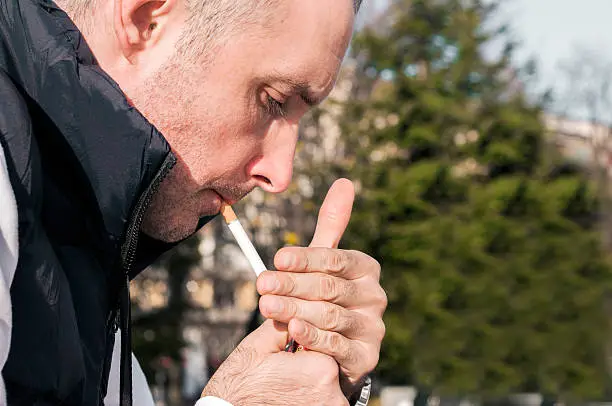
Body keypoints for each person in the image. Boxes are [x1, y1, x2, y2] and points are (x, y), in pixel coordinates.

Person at [0, 0, 387, 404]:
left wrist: (328, 377)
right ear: (146, 20)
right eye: (272, 100)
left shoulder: (94, 287)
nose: (279, 174)